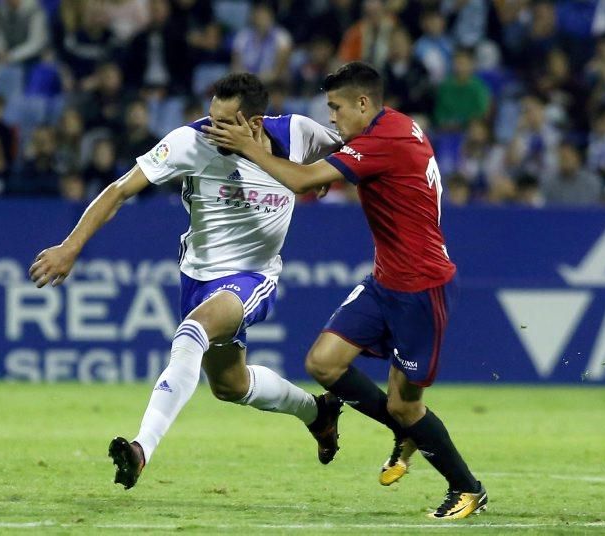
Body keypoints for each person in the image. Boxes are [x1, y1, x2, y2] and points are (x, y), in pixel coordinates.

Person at [28, 73, 343, 490]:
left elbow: (355, 152)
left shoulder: (299, 133)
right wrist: (71, 246)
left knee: (192, 332)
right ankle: (317, 413)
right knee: (231, 385)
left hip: (253, 276)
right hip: (197, 277)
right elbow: (119, 191)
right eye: (209, 116)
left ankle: (141, 449)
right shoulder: (190, 142)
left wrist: (327, 174)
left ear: (254, 124)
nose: (210, 127)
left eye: (223, 122)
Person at [204, 62, 487, 520]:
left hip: (421, 288)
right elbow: (320, 172)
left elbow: (300, 182)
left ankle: (466, 487)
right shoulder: (391, 128)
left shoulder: (383, 141)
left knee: (406, 405)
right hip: (385, 281)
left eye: (335, 108)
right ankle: (406, 431)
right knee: (323, 362)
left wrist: (247, 147)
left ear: (362, 103)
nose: (331, 117)